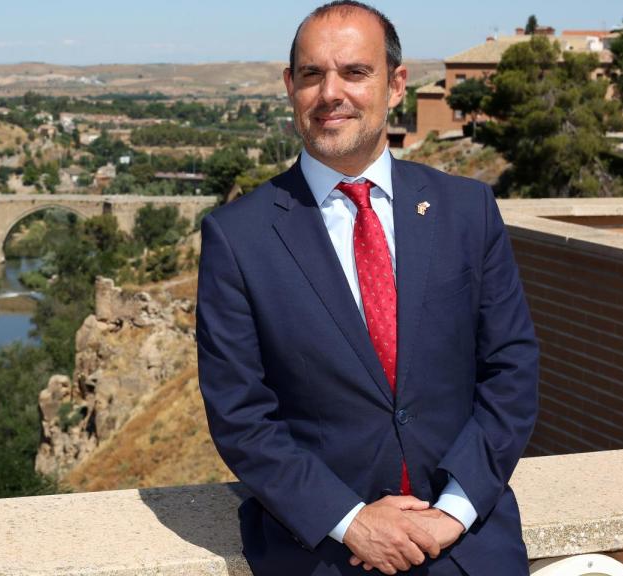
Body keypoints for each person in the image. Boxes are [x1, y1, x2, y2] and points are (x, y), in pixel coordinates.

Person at [195, 2, 539, 575]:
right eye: (312, 75)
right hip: (322, 553)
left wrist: (453, 510)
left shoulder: (467, 210)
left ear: (396, 84)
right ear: (290, 87)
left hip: (468, 547)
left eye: (355, 72)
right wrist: (351, 519)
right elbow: (240, 414)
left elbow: (512, 368)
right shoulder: (238, 237)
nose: (331, 92)